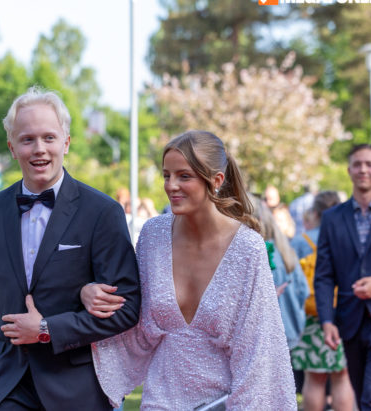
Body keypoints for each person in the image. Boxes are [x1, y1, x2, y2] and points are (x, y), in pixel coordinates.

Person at [84, 130, 296, 409]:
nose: (171, 186)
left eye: (184, 176)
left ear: (216, 180)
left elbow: (259, 353)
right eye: (166, 175)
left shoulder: (248, 248)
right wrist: (87, 292)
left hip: (223, 403)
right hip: (159, 401)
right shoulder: (152, 235)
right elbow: (130, 313)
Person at [0, 87, 141, 411]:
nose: (39, 149)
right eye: (27, 139)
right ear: (12, 147)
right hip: (10, 386)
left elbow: (125, 309)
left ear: (66, 143)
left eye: (49, 138)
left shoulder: (101, 211)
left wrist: (47, 330)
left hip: (77, 389)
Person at [315, 143, 371, 410]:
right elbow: (323, 275)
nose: (363, 170)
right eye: (357, 164)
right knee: (362, 394)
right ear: (349, 170)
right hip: (349, 322)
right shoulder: (332, 218)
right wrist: (326, 320)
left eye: (369, 164)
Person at [289, 191, 354, 411]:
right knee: (342, 375)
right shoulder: (346, 236)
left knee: (314, 377)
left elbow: (293, 281)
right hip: (342, 312)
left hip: (309, 314)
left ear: (315, 213)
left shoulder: (300, 241)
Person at [251, 196, 309, 349]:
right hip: (289, 332)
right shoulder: (285, 251)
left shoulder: (262, 254)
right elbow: (303, 291)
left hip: (266, 339)